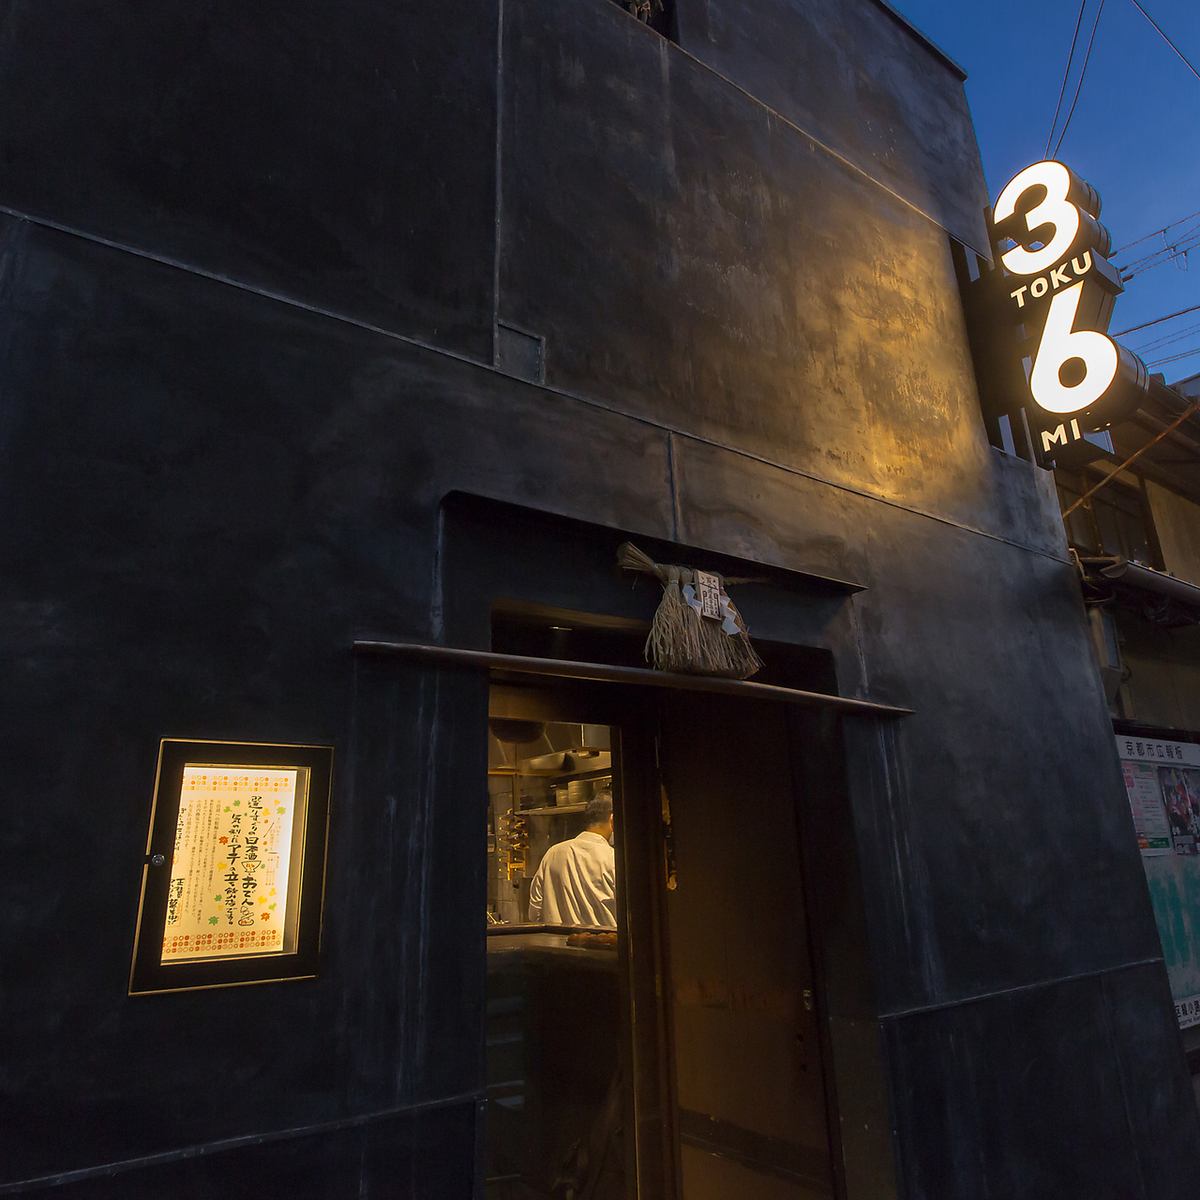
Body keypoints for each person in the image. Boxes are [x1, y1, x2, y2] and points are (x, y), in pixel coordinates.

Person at [527, 791, 617, 928]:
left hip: (555, 945)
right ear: (612, 820)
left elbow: (534, 913)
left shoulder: (552, 853)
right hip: (603, 945)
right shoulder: (613, 858)